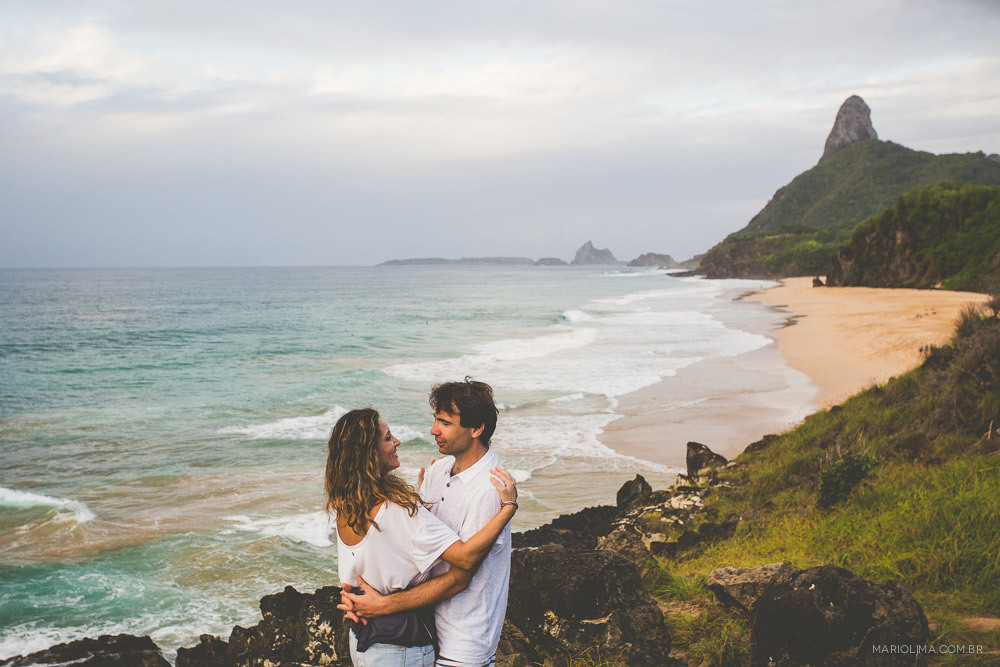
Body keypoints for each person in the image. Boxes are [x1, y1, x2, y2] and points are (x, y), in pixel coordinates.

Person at [327, 407, 517, 667]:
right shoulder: (396, 510)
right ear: (369, 454)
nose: (397, 442)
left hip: (362, 637)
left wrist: (424, 502)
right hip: (400, 641)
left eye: (444, 422)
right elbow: (464, 559)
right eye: (387, 438)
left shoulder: (346, 503)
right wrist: (509, 508)